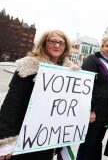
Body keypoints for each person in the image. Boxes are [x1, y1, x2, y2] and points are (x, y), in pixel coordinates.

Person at [0, 30, 77, 160]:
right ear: (44, 43)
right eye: (52, 41)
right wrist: (6, 139)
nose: (57, 45)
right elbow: (12, 103)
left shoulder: (69, 69)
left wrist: (77, 77)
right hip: (23, 135)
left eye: (61, 43)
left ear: (65, 47)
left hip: (47, 137)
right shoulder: (28, 65)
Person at [76, 36, 108, 160]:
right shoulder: (93, 59)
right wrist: (91, 109)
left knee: (97, 143)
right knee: (87, 144)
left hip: (107, 112)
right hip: (94, 111)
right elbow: (86, 86)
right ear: (102, 47)